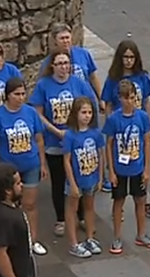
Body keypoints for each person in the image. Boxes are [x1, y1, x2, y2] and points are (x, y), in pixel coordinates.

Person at [30, 48, 98, 238]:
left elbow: (88, 106)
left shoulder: (78, 83)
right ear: (52, 66)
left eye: (66, 63)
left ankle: (81, 216)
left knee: (79, 177)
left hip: (77, 140)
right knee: (59, 180)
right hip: (55, 140)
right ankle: (61, 217)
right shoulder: (44, 85)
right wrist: (55, 130)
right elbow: (38, 111)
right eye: (59, 63)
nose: (63, 67)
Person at [0, 77, 49, 256]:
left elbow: (39, 139)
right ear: (8, 95)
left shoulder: (30, 113)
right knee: (8, 206)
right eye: (16, 94)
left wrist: (42, 163)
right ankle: (11, 241)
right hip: (9, 168)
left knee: (30, 204)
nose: (20, 98)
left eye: (23, 94)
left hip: (31, 164)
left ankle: (32, 239)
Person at [101, 38, 150, 205]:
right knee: (119, 163)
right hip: (120, 126)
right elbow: (109, 104)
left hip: (139, 125)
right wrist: (110, 125)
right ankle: (119, 203)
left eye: (132, 57)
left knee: (141, 163)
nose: (128, 61)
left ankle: (143, 201)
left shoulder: (142, 77)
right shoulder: (112, 79)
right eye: (125, 57)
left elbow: (146, 101)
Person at [105, 80, 150, 253]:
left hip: (137, 166)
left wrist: (147, 168)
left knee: (140, 201)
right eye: (127, 98)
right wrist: (111, 171)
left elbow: (147, 141)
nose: (130, 101)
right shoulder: (114, 119)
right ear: (120, 99)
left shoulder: (142, 117)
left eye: (133, 98)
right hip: (120, 169)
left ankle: (141, 234)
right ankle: (117, 237)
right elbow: (109, 144)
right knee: (118, 202)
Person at [62, 97, 105, 258]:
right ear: (76, 113)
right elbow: (66, 160)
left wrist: (101, 178)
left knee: (89, 207)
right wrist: (72, 183)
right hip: (76, 179)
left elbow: (100, 156)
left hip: (91, 178)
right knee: (72, 210)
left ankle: (90, 238)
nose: (87, 116)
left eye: (89, 112)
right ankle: (73, 243)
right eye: (83, 112)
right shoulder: (70, 135)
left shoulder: (95, 133)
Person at [40, 23, 102, 104]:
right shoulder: (49, 61)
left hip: (86, 102)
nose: (65, 41)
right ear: (55, 40)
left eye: (67, 37)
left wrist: (101, 98)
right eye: (62, 38)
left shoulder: (83, 54)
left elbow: (93, 77)